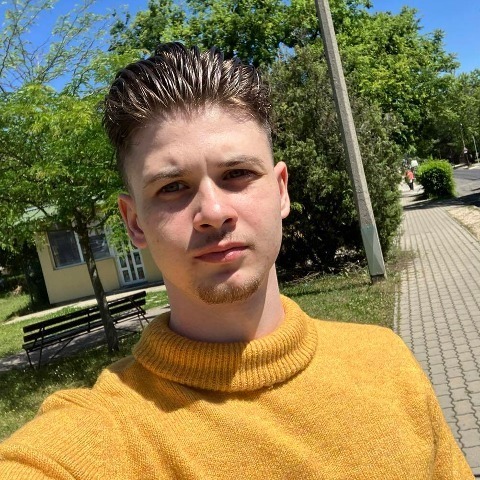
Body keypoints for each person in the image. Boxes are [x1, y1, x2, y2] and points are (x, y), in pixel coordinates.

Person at [0, 43, 473, 479]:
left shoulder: (388, 360)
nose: (212, 211)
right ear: (135, 222)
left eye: (238, 173)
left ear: (281, 191)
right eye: (172, 187)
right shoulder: (105, 433)